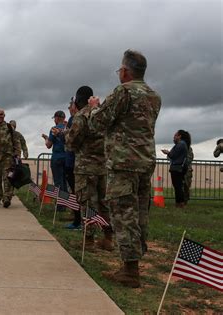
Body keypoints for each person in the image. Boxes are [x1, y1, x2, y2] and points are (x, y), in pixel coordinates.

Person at [88, 50, 161, 288]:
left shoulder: (124, 91)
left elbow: (98, 123)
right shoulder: (154, 96)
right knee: (140, 213)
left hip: (123, 163)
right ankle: (133, 262)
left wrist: (94, 107)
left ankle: (130, 271)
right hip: (145, 162)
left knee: (123, 214)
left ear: (126, 71)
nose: (119, 73)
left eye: (120, 69)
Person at [65, 86, 113, 250]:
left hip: (85, 167)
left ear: (78, 100)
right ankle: (108, 239)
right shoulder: (100, 113)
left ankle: (89, 241)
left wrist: (66, 135)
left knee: (87, 204)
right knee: (103, 203)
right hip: (103, 166)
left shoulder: (82, 116)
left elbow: (72, 143)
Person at [161, 130, 189, 208]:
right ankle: (180, 203)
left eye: (175, 135)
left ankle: (180, 203)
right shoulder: (182, 144)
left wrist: (167, 152)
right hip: (179, 168)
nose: (174, 137)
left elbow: (173, 155)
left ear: (179, 136)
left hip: (177, 168)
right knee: (178, 186)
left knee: (178, 186)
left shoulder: (181, 144)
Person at [181, 131, 193, 205]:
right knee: (180, 186)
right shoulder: (177, 146)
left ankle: (184, 201)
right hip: (179, 169)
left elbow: (189, 159)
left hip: (186, 170)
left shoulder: (188, 148)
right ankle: (181, 201)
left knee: (186, 186)